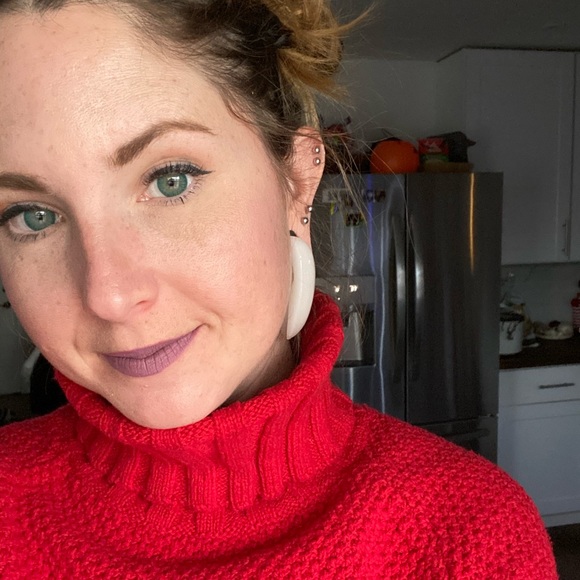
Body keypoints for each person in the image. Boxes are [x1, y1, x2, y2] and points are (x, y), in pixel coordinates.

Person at [0, 1, 557, 577]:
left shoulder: (470, 534)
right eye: (32, 216)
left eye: (171, 180)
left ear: (296, 181)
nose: (110, 297)